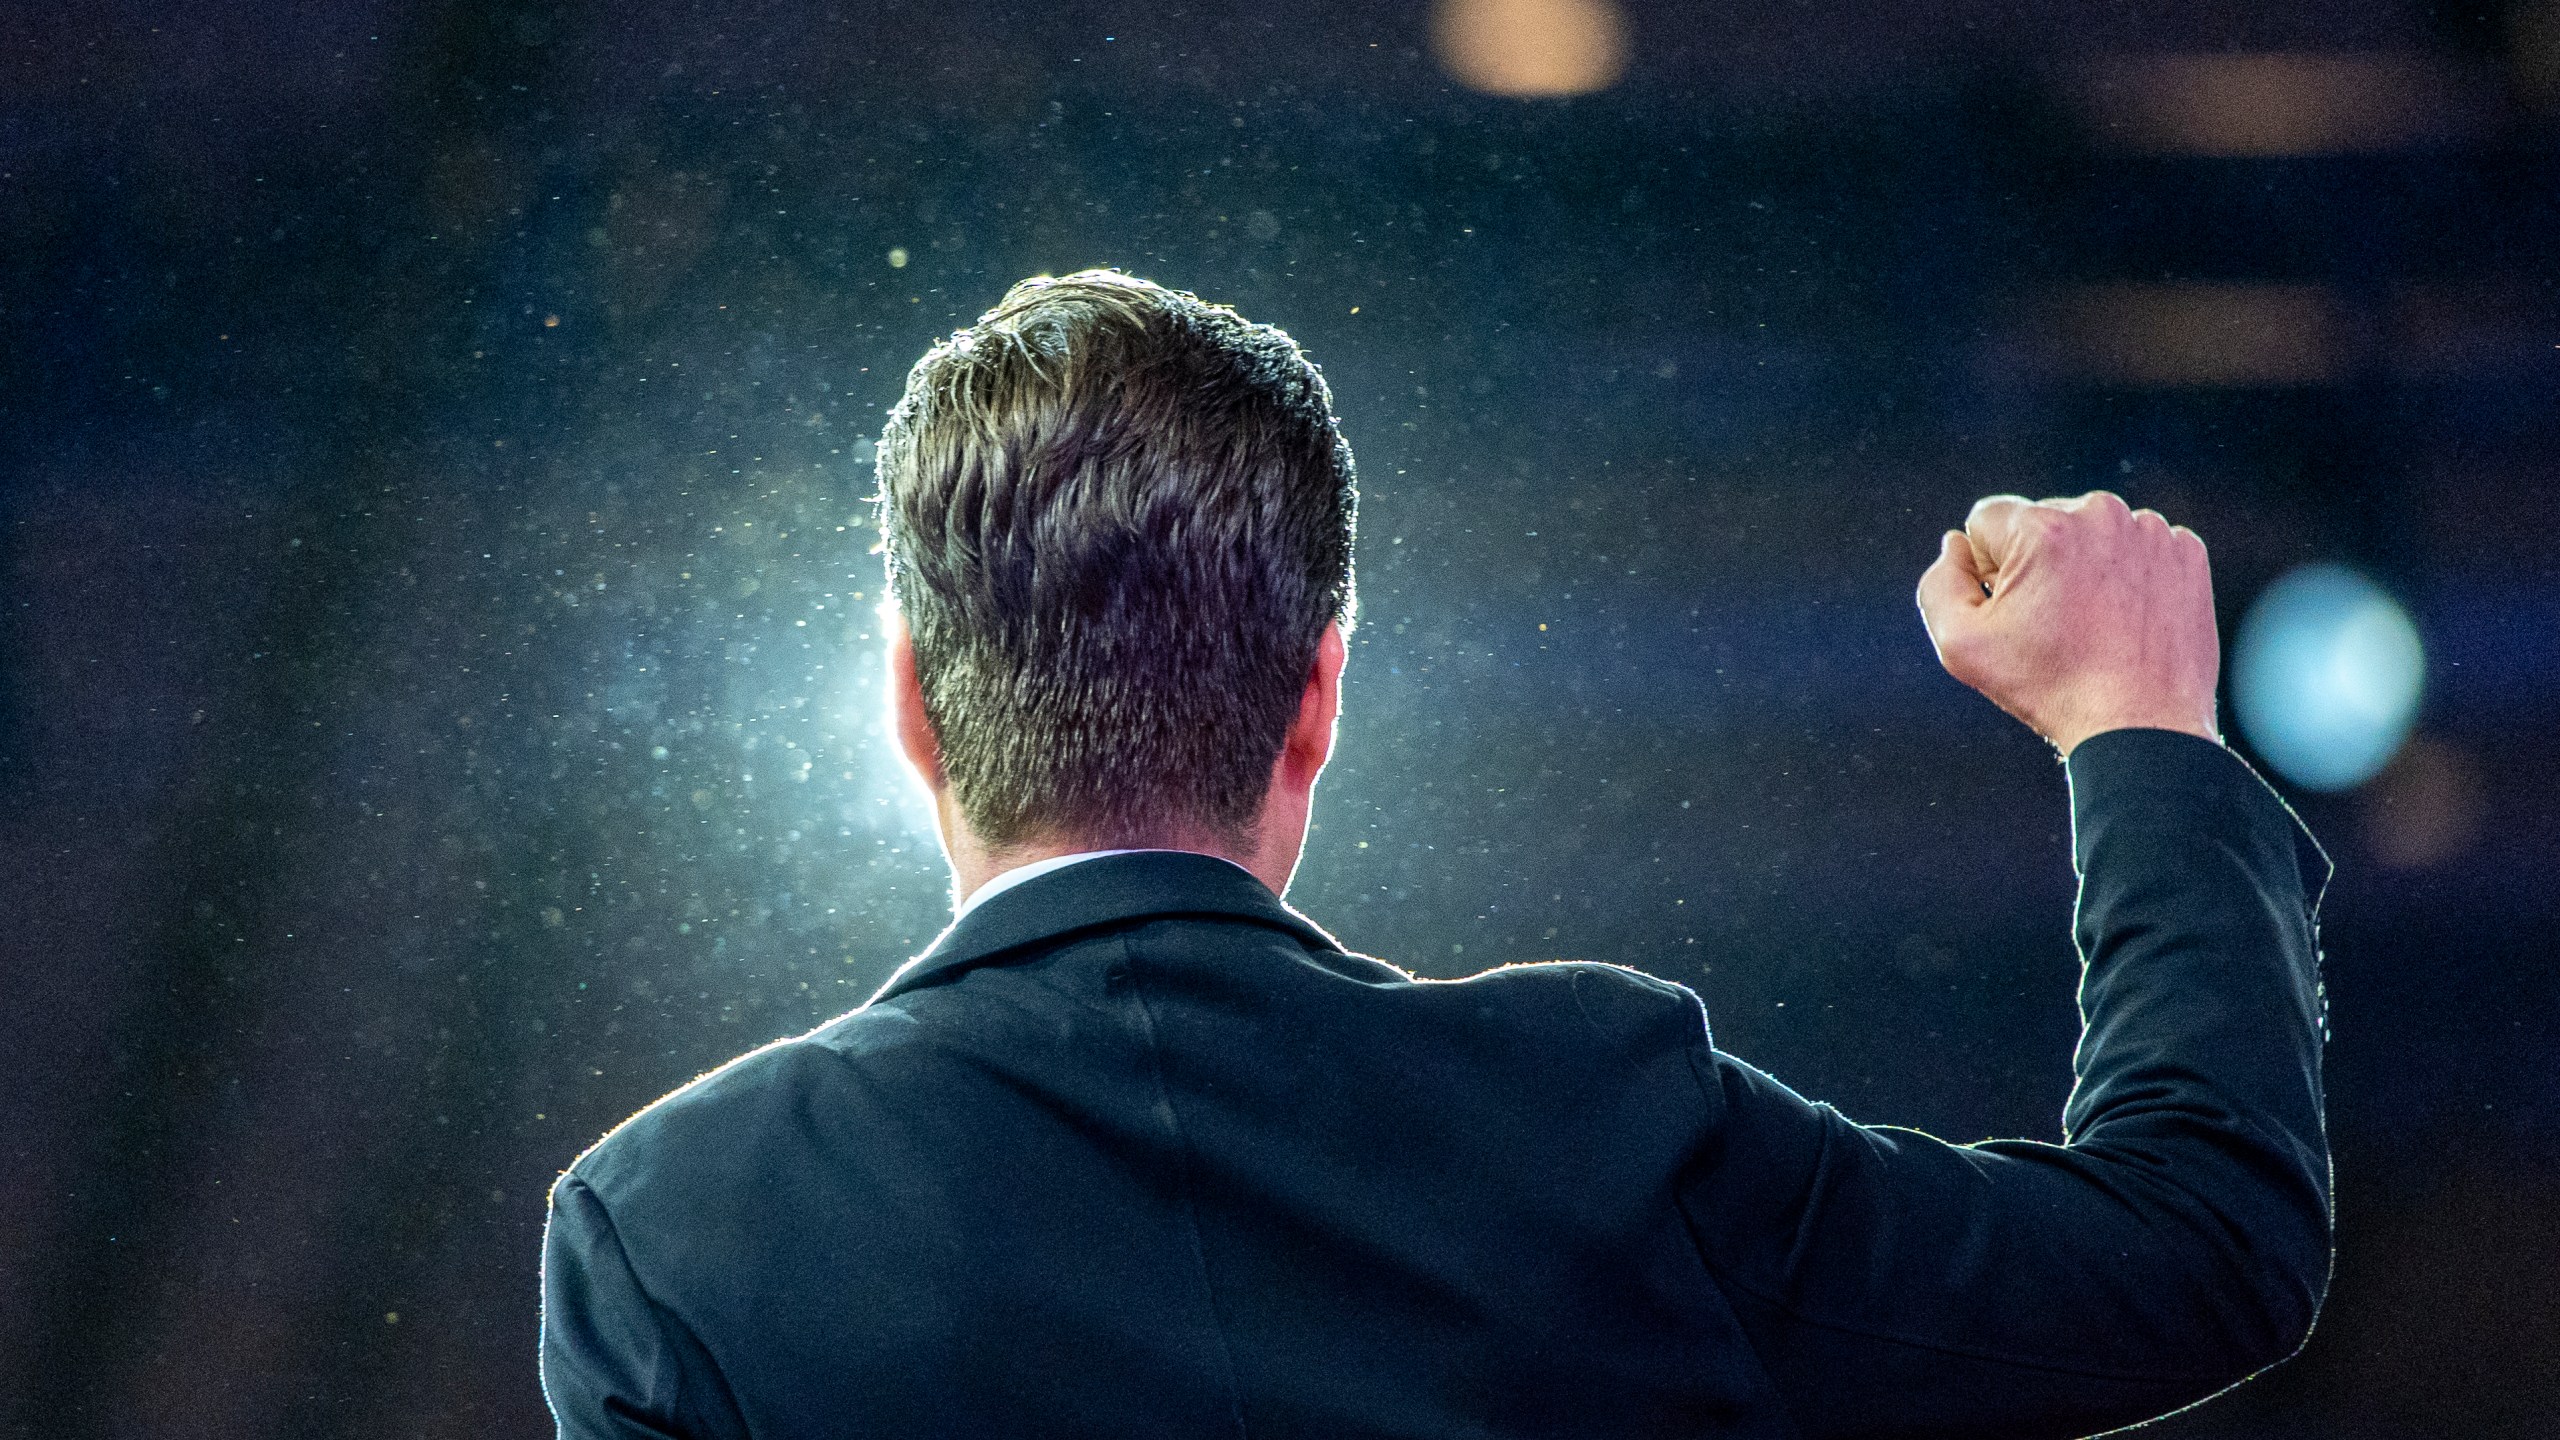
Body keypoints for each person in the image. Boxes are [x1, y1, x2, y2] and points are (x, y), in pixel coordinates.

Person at [540, 270, 2330, 1439]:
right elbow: (2198, 1248)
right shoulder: (1594, 1121)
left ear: (912, 705)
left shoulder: (677, 1234)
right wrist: (2138, 728)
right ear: (1317, 697)